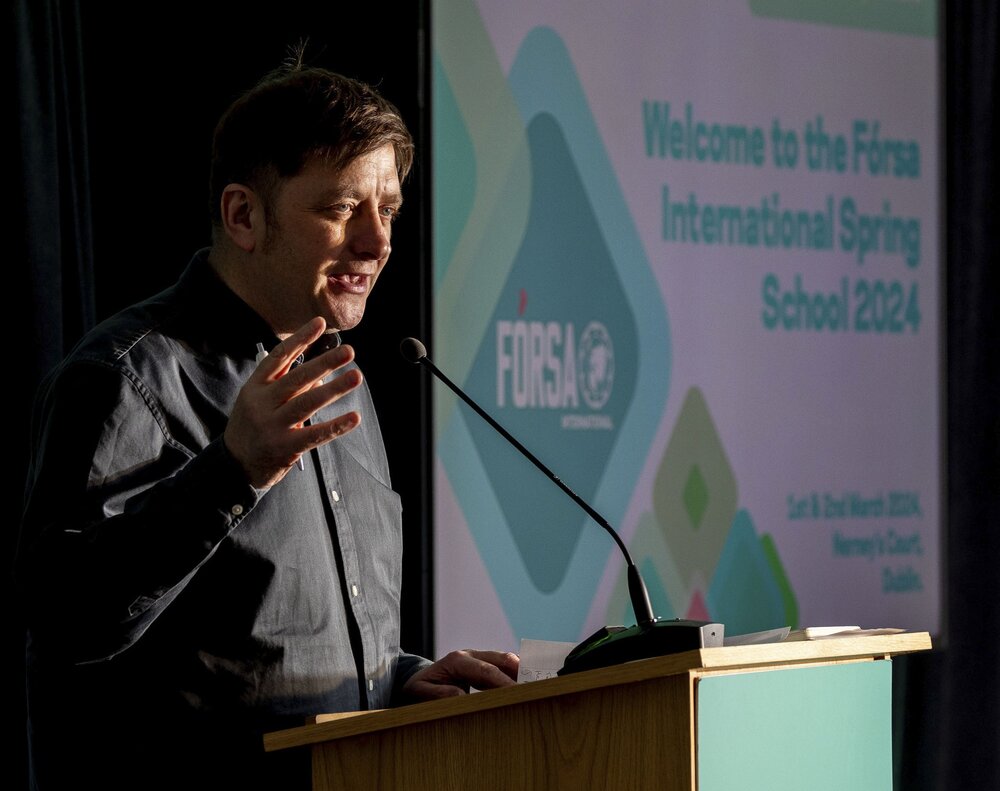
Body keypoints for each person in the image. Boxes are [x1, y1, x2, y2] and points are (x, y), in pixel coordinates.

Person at [17, 63, 518, 789]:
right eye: (343, 208)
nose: (377, 242)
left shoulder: (339, 382)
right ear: (244, 216)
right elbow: (64, 619)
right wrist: (232, 470)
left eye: (388, 209)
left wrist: (396, 678)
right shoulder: (124, 377)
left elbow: (277, 645)